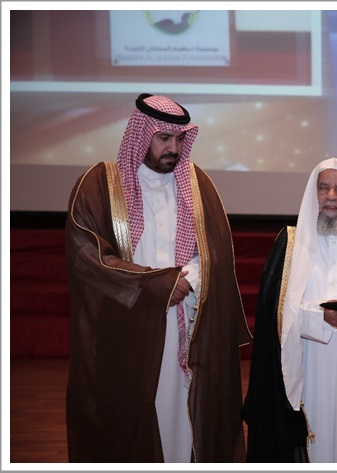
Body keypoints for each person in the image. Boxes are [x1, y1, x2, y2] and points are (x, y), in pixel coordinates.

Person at [64, 93, 252, 462]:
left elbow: (214, 250)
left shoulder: (198, 184)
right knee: (131, 416)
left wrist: (189, 280)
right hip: (130, 324)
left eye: (180, 139)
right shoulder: (99, 184)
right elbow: (87, 256)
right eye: (163, 138)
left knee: (185, 413)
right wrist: (158, 285)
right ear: (141, 133)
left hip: (188, 321)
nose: (173, 149)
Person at [243, 158, 337, 462]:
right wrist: (322, 317)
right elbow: (274, 315)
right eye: (324, 188)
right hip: (309, 372)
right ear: (314, 193)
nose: (331, 196)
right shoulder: (290, 245)